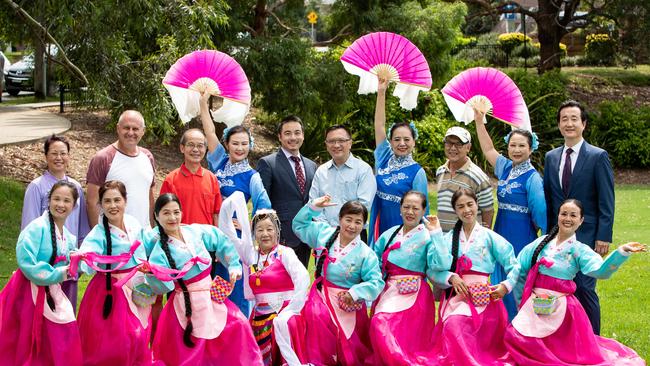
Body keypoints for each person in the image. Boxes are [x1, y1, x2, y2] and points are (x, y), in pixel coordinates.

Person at [505, 199, 645, 365]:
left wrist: (621, 252)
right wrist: (507, 286)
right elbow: (519, 266)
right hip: (536, 304)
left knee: (564, 350)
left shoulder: (580, 250)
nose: (567, 218)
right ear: (558, 216)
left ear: (581, 220)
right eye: (564, 214)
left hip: (562, 308)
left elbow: (601, 271)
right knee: (514, 335)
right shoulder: (540, 243)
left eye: (573, 215)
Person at [143, 193, 263, 365]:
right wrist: (151, 274)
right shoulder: (159, 251)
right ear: (156, 216)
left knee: (238, 325)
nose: (172, 217)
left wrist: (234, 266)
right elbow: (163, 287)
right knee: (192, 349)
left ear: (182, 212)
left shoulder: (195, 231)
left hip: (211, 294)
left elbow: (222, 241)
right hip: (184, 304)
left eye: (176, 212)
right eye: (166, 213)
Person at [543, 100, 615, 335]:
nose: (569, 123)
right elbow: (549, 199)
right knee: (558, 287)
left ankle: (594, 339)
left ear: (583, 124)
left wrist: (603, 235)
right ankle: (564, 338)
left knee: (584, 287)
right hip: (558, 236)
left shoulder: (597, 156)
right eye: (564, 119)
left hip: (587, 234)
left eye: (574, 119)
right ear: (559, 124)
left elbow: (606, 200)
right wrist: (547, 235)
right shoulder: (551, 157)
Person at [199, 93, 272, 315]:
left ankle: (239, 329)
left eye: (244, 144)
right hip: (210, 231)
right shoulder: (219, 161)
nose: (240, 148)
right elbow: (209, 131)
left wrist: (249, 229)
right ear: (227, 144)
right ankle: (214, 332)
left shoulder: (252, 176)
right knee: (211, 286)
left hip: (233, 240)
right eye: (235, 143)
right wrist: (203, 103)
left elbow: (264, 208)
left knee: (233, 284)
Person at [431, 188, 519, 366]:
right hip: (456, 297)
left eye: (470, 204)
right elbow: (433, 270)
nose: (466, 210)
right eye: (460, 206)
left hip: (483, 299)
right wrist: (451, 278)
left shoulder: (490, 237)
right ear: (455, 210)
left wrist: (505, 286)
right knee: (454, 324)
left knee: (458, 325)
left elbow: (515, 265)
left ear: (477, 205)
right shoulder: (448, 239)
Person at [219, 192, 309, 366]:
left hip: (284, 319)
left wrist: (290, 311)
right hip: (260, 319)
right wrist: (234, 201)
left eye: (269, 229)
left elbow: (303, 278)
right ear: (254, 234)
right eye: (259, 230)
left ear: (277, 231)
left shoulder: (285, 253)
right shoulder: (251, 256)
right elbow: (228, 233)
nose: (265, 234)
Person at [293, 196, 384, 366]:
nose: (352, 225)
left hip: (347, 301)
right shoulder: (323, 233)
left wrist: (355, 292)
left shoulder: (365, 253)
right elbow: (299, 225)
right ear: (339, 219)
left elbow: (376, 282)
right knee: (317, 316)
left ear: (363, 225)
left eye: (358, 222)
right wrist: (312, 207)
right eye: (348, 219)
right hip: (321, 295)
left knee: (350, 349)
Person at [473, 110, 547, 319]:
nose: (516, 149)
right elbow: (487, 148)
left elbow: (540, 212)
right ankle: (499, 324)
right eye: (513, 145)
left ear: (531, 148)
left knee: (516, 277)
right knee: (497, 275)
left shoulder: (533, 178)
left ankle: (517, 326)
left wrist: (541, 239)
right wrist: (479, 121)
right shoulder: (505, 167)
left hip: (522, 233)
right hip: (501, 229)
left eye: (522, 145)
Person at [0, 181, 82, 365]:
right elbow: (27, 262)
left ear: (74, 205)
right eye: (56, 199)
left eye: (66, 200)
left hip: (49, 292)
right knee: (24, 338)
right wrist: (59, 273)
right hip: (27, 291)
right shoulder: (36, 228)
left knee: (59, 332)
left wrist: (81, 262)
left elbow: (71, 263)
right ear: (49, 201)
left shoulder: (68, 236)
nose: (60, 204)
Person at [370, 191, 451, 366]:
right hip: (388, 289)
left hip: (414, 293)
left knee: (381, 322)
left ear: (423, 211)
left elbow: (442, 263)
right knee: (379, 323)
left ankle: (401, 361)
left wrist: (437, 234)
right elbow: (373, 261)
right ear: (400, 209)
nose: (410, 212)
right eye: (406, 207)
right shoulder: (390, 234)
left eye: (415, 208)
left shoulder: (428, 236)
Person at [75, 180, 152, 365]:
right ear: (100, 205)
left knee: (139, 334)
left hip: (136, 284)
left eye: (117, 200)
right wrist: (80, 260)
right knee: (114, 340)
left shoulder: (133, 222)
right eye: (107, 201)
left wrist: (145, 269)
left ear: (125, 201)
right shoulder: (99, 233)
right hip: (109, 291)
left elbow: (143, 248)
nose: (113, 205)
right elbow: (87, 255)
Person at [21, 134, 90, 310]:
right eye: (53, 153)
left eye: (63, 153)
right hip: (45, 268)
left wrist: (79, 262)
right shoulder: (37, 187)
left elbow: (82, 228)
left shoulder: (76, 188)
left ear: (68, 156)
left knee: (65, 318)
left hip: (69, 267)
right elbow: (29, 228)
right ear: (46, 156)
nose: (58, 158)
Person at [370, 77, 428, 246]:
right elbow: (379, 126)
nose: (401, 144)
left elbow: (421, 209)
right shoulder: (383, 158)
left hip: (403, 226)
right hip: (380, 220)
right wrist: (381, 92)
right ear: (390, 141)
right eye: (397, 139)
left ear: (414, 142)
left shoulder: (417, 172)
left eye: (406, 139)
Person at [257, 115, 316, 267]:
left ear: (302, 135)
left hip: (306, 236)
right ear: (280, 136)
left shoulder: (311, 166)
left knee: (301, 281)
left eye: (297, 132)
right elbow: (263, 203)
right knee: (280, 284)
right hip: (282, 235)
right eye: (288, 133)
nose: (293, 137)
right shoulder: (268, 163)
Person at [86, 110, 156, 229]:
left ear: (143, 131)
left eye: (135, 129)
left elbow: (149, 197)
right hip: (114, 236)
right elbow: (92, 202)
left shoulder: (147, 157)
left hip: (142, 236)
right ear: (118, 128)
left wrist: (151, 230)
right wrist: (101, 237)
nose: (130, 132)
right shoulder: (103, 158)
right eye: (126, 128)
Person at [309, 125, 376, 242]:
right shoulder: (321, 171)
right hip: (326, 234)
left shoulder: (363, 170)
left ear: (350, 143)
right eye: (331, 141)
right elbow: (314, 203)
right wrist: (328, 230)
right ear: (326, 144)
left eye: (341, 141)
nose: (336, 145)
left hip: (355, 235)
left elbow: (364, 205)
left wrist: (346, 228)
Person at [436, 126, 494, 232]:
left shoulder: (477, 176)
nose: (453, 148)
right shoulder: (440, 171)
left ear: (468, 147)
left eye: (458, 144)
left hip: (467, 241)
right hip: (443, 240)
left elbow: (488, 211)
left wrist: (483, 237)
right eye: (449, 143)